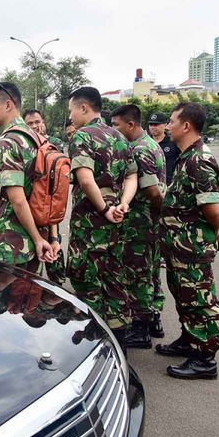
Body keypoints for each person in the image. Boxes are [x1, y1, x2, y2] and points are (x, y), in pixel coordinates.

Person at [156, 102, 219, 380]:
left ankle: (205, 357)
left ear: (186, 125)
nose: (168, 126)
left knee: (200, 299)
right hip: (180, 245)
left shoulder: (200, 159)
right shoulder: (187, 156)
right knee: (184, 294)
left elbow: (212, 207)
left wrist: (218, 230)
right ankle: (190, 339)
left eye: (172, 121)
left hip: (192, 246)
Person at [66, 86, 137, 348]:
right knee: (114, 279)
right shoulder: (119, 137)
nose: (71, 116)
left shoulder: (82, 137)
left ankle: (93, 344)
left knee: (87, 282)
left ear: (84, 108)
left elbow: (85, 180)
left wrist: (104, 209)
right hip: (116, 225)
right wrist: (123, 205)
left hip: (90, 226)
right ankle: (119, 343)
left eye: (72, 110)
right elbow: (132, 175)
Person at [111, 104, 166, 349]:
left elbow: (153, 192)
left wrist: (152, 215)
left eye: (117, 126)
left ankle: (141, 328)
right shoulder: (149, 145)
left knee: (137, 275)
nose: (114, 130)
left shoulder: (141, 150)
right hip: (147, 221)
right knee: (149, 272)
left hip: (140, 223)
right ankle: (153, 318)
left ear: (130, 125)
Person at [0, 82, 54, 274]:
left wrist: (37, 239)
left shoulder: (8, 142)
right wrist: (42, 238)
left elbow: (17, 199)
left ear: (8, 105)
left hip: (12, 240)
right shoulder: (36, 137)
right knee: (26, 297)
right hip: (37, 233)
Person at [23, 109, 66, 285]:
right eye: (30, 124)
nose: (35, 126)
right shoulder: (23, 147)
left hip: (50, 213)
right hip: (28, 215)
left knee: (54, 267)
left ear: (44, 122)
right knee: (29, 273)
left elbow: (55, 190)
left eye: (37, 122)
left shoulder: (53, 145)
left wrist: (54, 236)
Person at [148, 112, 180, 185]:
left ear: (165, 125)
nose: (152, 127)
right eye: (150, 124)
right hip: (150, 185)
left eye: (156, 124)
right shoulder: (145, 143)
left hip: (169, 185)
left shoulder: (173, 142)